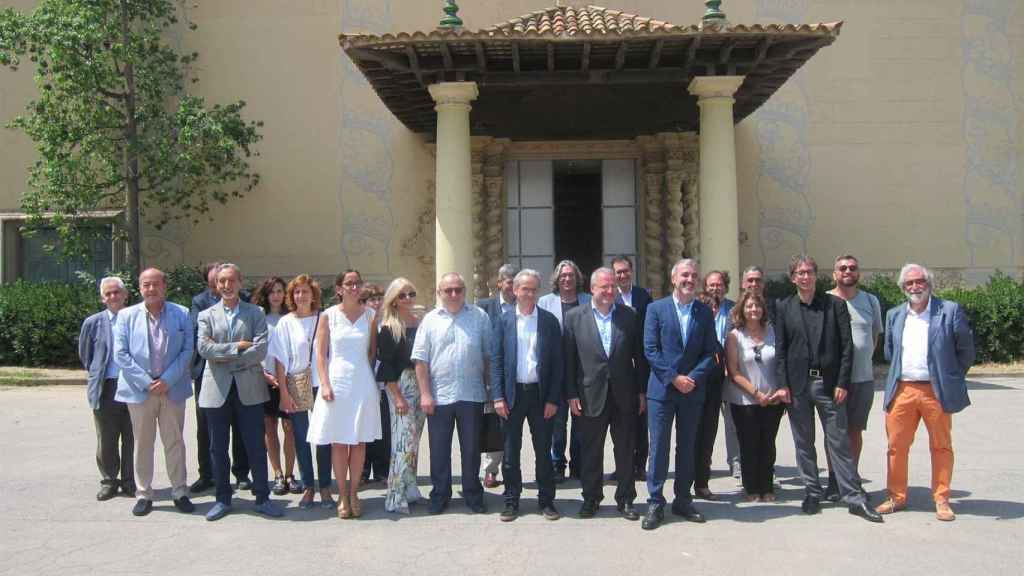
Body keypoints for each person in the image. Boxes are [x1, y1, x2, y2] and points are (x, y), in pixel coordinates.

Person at [774, 255, 882, 523]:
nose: (806, 277)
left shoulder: (835, 305)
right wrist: (782, 384)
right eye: (800, 273)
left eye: (810, 271)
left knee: (839, 441)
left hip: (829, 384)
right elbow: (781, 351)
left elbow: (847, 348)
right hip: (798, 386)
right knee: (804, 442)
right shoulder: (784, 307)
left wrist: (843, 383)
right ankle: (812, 491)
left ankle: (853, 497)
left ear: (816, 275)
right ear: (793, 278)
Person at [876, 263, 975, 521]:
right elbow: (889, 352)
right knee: (896, 446)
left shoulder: (949, 310)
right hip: (902, 389)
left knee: (941, 446)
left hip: (935, 390)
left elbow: (966, 350)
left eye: (919, 281)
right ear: (902, 288)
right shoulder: (895, 314)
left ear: (929, 283)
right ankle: (896, 497)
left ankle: (942, 499)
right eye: (909, 283)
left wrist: (950, 377)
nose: (914, 287)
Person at [197, 263, 282, 521]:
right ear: (216, 284)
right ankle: (223, 499)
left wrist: (222, 351)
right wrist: (238, 348)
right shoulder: (206, 315)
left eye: (231, 280)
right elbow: (203, 349)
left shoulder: (255, 312)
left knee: (256, 445)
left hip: (250, 389)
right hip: (217, 390)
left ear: (240, 282)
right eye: (221, 281)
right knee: (217, 447)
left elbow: (260, 350)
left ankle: (262, 497)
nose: (226, 285)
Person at [641, 259, 717, 530]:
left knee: (687, 447)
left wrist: (692, 378)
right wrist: (673, 378)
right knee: (658, 446)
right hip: (662, 390)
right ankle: (655, 501)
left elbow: (711, 352)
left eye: (694, 275)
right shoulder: (655, 309)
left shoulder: (704, 312)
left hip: (692, 392)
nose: (690, 279)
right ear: (673, 279)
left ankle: (683, 500)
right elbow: (650, 349)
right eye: (685, 275)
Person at [564, 267, 646, 521]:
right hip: (590, 395)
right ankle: (591, 498)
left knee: (625, 449)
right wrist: (571, 394)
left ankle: (626, 499)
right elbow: (569, 360)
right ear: (592, 289)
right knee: (591, 450)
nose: (610, 291)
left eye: (612, 286)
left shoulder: (629, 316)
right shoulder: (574, 317)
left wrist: (642, 392)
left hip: (624, 394)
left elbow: (640, 358)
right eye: (604, 287)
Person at [113, 268, 195, 517]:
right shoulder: (126, 316)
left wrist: (167, 380)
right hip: (140, 391)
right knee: (143, 443)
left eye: (155, 284)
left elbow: (187, 350)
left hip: (172, 389)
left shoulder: (181, 313)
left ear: (164, 286)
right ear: (139, 288)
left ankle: (179, 491)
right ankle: (144, 494)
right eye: (146, 285)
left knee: (175, 442)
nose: (151, 289)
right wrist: (147, 382)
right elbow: (121, 354)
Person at [412, 272, 492, 515]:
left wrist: (490, 391)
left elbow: (488, 356)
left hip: (472, 394)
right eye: (448, 290)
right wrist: (425, 394)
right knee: (439, 449)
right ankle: (440, 494)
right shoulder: (430, 320)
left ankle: (472, 494)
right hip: (439, 396)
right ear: (440, 293)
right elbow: (421, 361)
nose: (454, 294)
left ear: (465, 291)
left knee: (471, 449)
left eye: (458, 289)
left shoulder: (479, 317)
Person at [308, 270, 381, 519]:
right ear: (339, 288)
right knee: (339, 442)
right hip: (336, 381)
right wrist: (325, 384)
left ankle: (354, 492)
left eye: (357, 283)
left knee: (359, 441)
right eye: (348, 283)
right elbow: (320, 354)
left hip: (361, 381)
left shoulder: (371, 315)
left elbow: (372, 353)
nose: (353, 287)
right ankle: (341, 494)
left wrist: (364, 377)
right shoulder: (328, 316)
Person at [491, 269, 562, 522]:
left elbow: (557, 364)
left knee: (543, 452)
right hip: (512, 395)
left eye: (533, 289)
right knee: (510, 453)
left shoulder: (549, 321)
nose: (529, 294)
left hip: (540, 396)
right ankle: (511, 501)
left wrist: (554, 399)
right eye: (524, 289)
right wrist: (497, 396)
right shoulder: (503, 320)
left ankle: (547, 501)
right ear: (515, 290)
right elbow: (496, 361)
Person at [823, 255, 882, 501]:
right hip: (832, 381)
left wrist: (862, 359)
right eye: (842, 268)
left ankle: (852, 478)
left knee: (855, 430)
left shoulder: (870, 301)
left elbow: (874, 336)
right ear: (834, 273)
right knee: (834, 433)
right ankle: (835, 480)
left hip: (862, 379)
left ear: (859, 273)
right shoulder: (824, 301)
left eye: (853, 268)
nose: (848, 271)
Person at [188, 261, 249, 494]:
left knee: (240, 424)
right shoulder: (199, 302)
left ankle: (242, 473)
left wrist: (220, 346)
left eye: (224, 280)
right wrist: (234, 346)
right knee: (206, 427)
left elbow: (250, 337)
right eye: (215, 281)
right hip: (208, 372)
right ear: (208, 282)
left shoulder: (244, 299)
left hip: (240, 370)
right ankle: (207, 474)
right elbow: (201, 338)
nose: (221, 285)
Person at [724, 292, 786, 501]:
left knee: (768, 444)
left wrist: (779, 390)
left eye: (757, 306)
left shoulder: (773, 332)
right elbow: (733, 371)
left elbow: (781, 363)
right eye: (749, 306)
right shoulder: (734, 336)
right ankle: (751, 488)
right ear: (742, 309)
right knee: (749, 445)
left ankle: (767, 487)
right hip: (744, 401)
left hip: (773, 399)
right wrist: (757, 393)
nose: (754, 310)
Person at [270, 274, 325, 509]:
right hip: (295, 383)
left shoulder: (324, 319)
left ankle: (325, 487)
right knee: (301, 437)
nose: (301, 296)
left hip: (321, 383)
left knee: (324, 436)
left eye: (305, 291)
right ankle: (308, 486)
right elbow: (280, 361)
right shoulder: (285, 322)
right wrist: (283, 392)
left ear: (313, 295)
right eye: (296, 292)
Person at [78, 276, 134, 501]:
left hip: (133, 386)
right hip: (106, 387)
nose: (113, 297)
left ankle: (130, 481)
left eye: (117, 292)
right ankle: (110, 481)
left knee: (133, 437)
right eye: (108, 293)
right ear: (102, 298)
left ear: (125, 294)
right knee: (107, 438)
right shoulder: (92, 323)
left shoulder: (136, 318)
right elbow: (86, 355)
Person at [538, 259, 591, 482]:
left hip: (582, 370)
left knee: (581, 421)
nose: (567, 279)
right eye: (563, 276)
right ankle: (557, 463)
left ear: (577, 278)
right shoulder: (544, 302)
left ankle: (578, 464)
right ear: (557, 280)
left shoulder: (588, 300)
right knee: (557, 423)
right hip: (556, 372)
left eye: (571, 275)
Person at [376, 278, 426, 514]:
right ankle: (395, 496)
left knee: (414, 442)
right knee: (402, 441)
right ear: (394, 300)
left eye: (411, 293)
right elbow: (385, 366)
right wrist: (396, 396)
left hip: (419, 384)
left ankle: (410, 488)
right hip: (400, 385)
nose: (408, 298)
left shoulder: (419, 322)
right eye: (403, 295)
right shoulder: (388, 327)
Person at [252, 276, 300, 496]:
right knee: (269, 429)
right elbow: (252, 350)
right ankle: (278, 474)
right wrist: (264, 374)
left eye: (280, 291)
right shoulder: (258, 317)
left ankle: (291, 474)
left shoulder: (292, 318)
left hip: (288, 380)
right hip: (265, 379)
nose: (276, 295)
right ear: (265, 294)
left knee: (290, 429)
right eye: (272, 291)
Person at [692, 270, 737, 500]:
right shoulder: (693, 328)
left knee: (708, 435)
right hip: (690, 387)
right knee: (690, 437)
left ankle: (701, 483)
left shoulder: (731, 313)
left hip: (715, 385)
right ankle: (685, 484)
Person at [476, 263, 518, 488]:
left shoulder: (525, 306)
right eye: (509, 282)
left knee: (510, 424)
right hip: (490, 373)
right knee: (493, 423)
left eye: (515, 282)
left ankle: (512, 468)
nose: (513, 287)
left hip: (517, 375)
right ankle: (490, 470)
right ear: (499, 283)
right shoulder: (484, 307)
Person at [611, 255, 652, 482]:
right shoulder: (610, 297)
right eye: (618, 272)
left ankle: (640, 465)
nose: (623, 275)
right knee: (621, 423)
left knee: (640, 417)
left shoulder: (643, 296)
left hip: (640, 363)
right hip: (619, 365)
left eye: (626, 271)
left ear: (631, 272)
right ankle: (622, 466)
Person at [360, 283, 391, 487]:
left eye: (379, 298)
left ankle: (382, 470)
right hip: (364, 380)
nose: (376, 302)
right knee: (364, 427)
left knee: (384, 427)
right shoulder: (362, 323)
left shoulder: (388, 323)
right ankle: (363, 470)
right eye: (372, 299)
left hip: (384, 383)